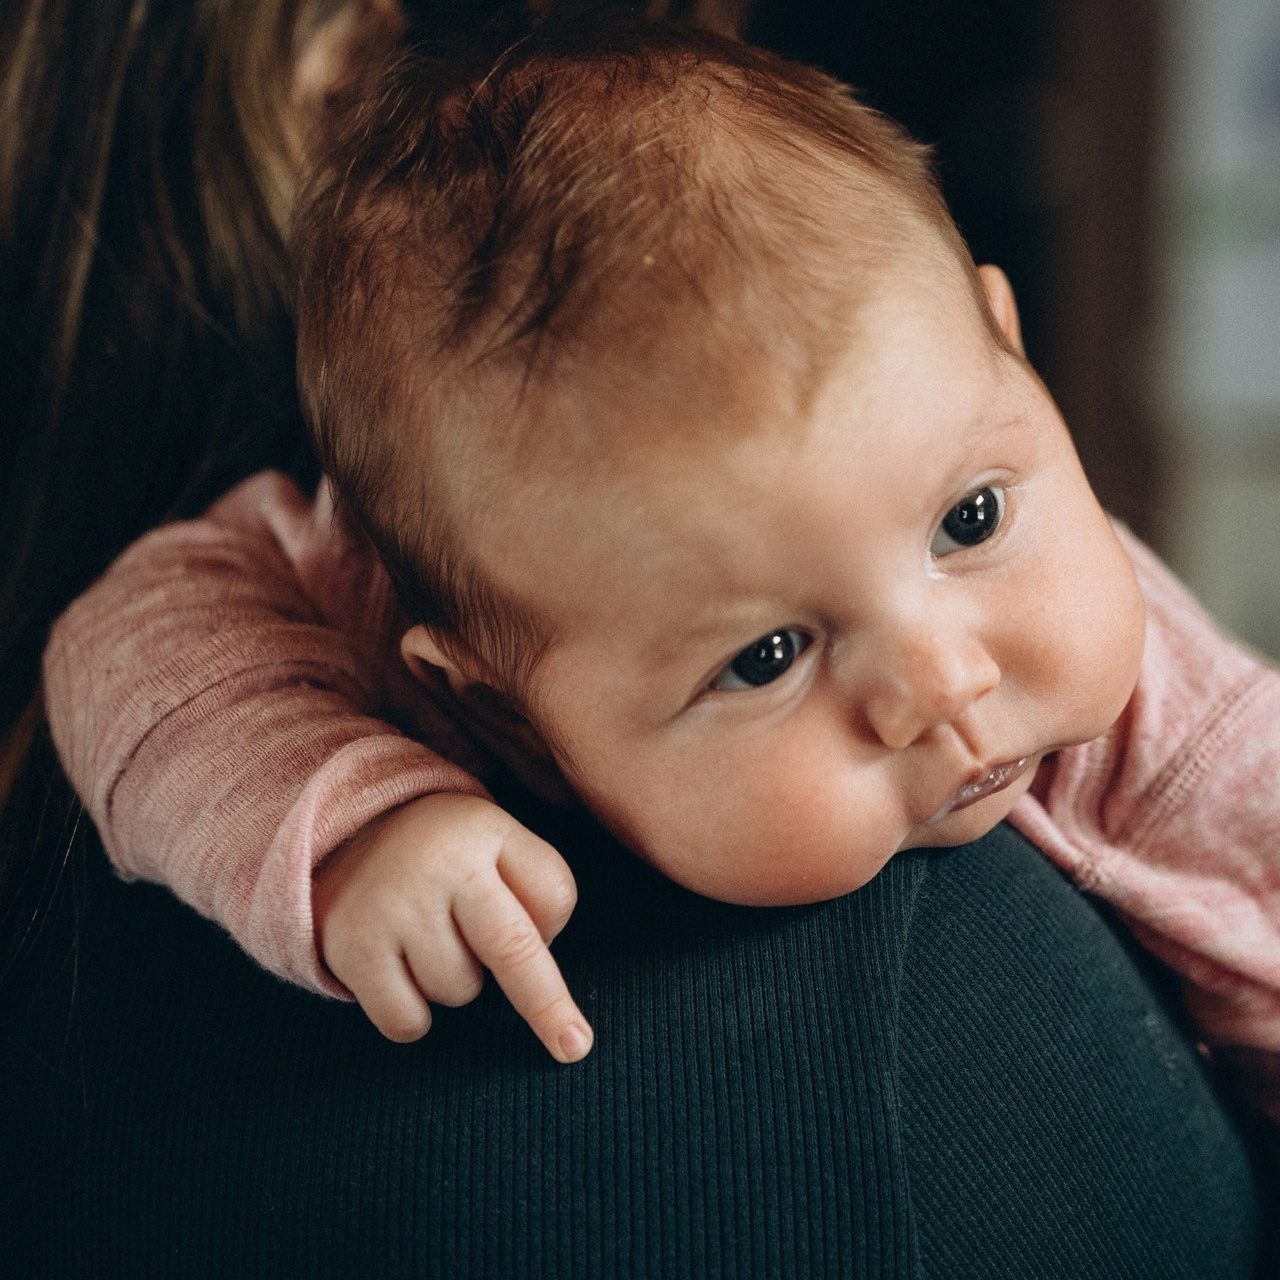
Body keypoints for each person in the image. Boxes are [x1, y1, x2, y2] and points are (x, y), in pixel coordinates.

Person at [0, 6, 1269, 1272]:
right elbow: (129, 650)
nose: (942, 680)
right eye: (766, 655)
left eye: (969, 517)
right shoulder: (358, 589)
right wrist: (355, 824)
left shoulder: (1180, 715)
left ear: (1004, 339)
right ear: (490, 695)